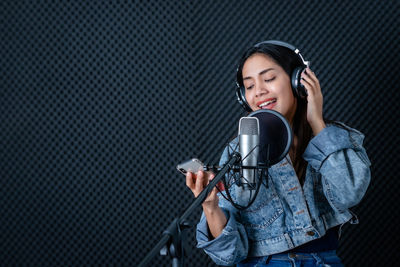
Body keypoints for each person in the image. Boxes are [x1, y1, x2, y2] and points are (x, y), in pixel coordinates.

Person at [185, 40, 371, 266]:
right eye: (249, 85)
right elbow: (230, 255)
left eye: (269, 79)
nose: (259, 91)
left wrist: (317, 122)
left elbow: (349, 193)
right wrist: (210, 206)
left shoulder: (334, 138)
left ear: (299, 82)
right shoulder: (237, 152)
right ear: (243, 96)